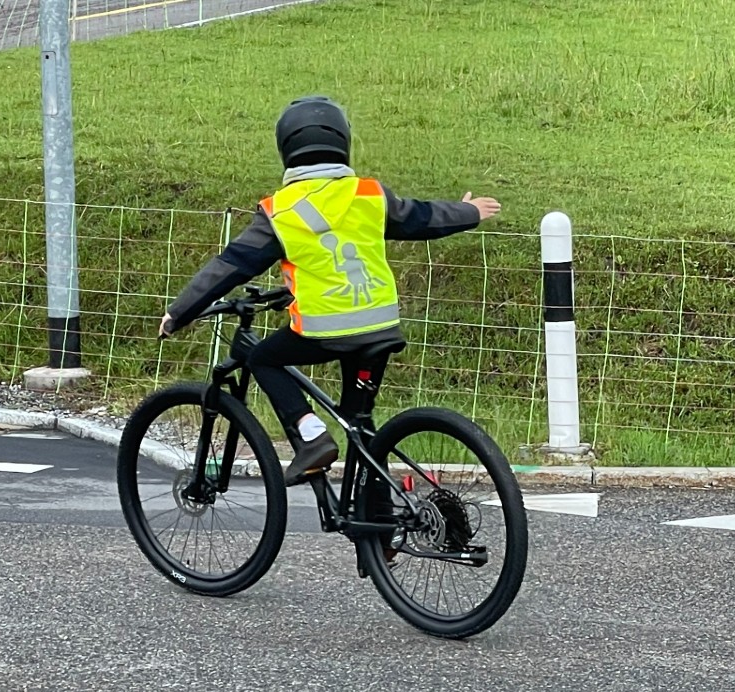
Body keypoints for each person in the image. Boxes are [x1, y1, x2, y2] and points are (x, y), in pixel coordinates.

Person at [159, 96, 501, 485]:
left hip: (324, 334)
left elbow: (230, 267)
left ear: (285, 147)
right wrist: (469, 213)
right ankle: (381, 529)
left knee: (262, 359)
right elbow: (422, 217)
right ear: (343, 141)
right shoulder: (369, 194)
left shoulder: (279, 211)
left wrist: (179, 312)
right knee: (361, 424)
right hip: (381, 327)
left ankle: (310, 436)